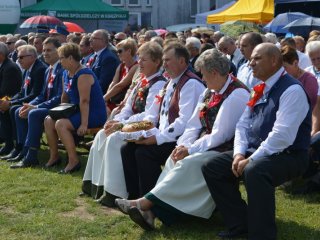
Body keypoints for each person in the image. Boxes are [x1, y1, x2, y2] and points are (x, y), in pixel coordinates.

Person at [115, 48, 250, 230]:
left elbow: (221, 134)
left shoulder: (237, 94)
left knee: (189, 163)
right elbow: (193, 124)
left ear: (215, 73)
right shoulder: (211, 90)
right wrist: (183, 145)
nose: (202, 79)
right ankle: (152, 210)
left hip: (225, 148)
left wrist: (191, 149)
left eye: (204, 75)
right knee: (174, 158)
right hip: (207, 143)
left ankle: (146, 204)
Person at [202, 43, 311, 240]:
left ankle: (262, 234)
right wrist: (238, 154)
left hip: (290, 155)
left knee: (256, 171)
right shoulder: (259, 88)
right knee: (213, 167)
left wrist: (251, 159)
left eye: (257, 58)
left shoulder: (292, 90)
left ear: (274, 60)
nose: (250, 63)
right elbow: (242, 125)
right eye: (250, 58)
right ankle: (240, 224)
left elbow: (282, 136)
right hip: (259, 151)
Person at [82, 41, 166, 202]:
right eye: (139, 59)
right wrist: (116, 120)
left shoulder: (159, 83)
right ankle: (94, 184)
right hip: (130, 122)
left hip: (144, 126)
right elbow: (128, 107)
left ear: (156, 62)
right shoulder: (142, 80)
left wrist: (121, 125)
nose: (140, 63)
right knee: (101, 134)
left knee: (114, 139)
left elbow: (148, 115)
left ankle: (116, 192)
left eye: (144, 60)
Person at [120, 42, 206, 200]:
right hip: (165, 134)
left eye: (167, 60)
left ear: (181, 61)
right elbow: (152, 114)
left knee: (144, 153)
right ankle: (134, 196)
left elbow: (184, 122)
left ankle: (152, 202)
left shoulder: (190, 83)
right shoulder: (171, 82)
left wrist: (157, 138)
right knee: (127, 148)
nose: (164, 64)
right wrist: (136, 130)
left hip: (181, 140)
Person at [44, 43, 107, 174]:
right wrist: (59, 112)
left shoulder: (84, 74)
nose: (60, 61)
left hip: (92, 113)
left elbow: (85, 101)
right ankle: (54, 156)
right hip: (78, 110)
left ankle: (74, 161)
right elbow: (64, 97)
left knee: (61, 124)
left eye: (62, 58)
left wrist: (84, 124)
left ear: (71, 58)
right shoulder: (66, 73)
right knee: (49, 120)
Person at [10, 38, 63, 168]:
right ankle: (22, 149)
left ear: (59, 51)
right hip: (47, 105)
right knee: (19, 110)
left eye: (49, 50)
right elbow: (41, 95)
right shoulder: (48, 70)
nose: (45, 53)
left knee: (34, 113)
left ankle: (31, 155)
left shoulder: (62, 69)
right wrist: (29, 105)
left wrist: (35, 106)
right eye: (44, 50)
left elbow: (59, 97)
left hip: (59, 107)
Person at [0, 45, 46, 157]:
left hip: (26, 101)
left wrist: (8, 102)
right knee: (6, 107)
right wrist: (6, 102)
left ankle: (16, 145)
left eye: (21, 57)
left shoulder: (38, 69)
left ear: (32, 57)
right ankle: (13, 144)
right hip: (16, 99)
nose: (18, 60)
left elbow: (7, 92)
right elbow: (21, 92)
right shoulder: (27, 69)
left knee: (11, 109)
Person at [103, 38, 138, 114]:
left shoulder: (136, 67)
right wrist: (106, 100)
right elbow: (113, 83)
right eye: (117, 51)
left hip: (124, 102)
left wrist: (103, 99)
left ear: (129, 51)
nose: (118, 54)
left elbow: (121, 85)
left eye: (120, 51)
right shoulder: (121, 65)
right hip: (115, 100)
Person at [0, 42, 22, 156]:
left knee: (3, 109)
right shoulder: (3, 65)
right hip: (6, 97)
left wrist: (3, 103)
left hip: (10, 98)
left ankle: (9, 144)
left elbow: (7, 91)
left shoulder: (9, 68)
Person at [281, 45, 318, 110]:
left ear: (295, 63)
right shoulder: (282, 78)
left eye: (285, 67)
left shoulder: (309, 80)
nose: (282, 70)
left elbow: (312, 107)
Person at [88, 29, 120, 93]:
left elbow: (103, 83)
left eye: (93, 38)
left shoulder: (109, 58)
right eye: (90, 38)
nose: (90, 40)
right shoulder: (93, 56)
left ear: (103, 41)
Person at [305, 40, 320, 135]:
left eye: (319, 58)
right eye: (313, 59)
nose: (317, 62)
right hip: (309, 115)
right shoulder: (307, 72)